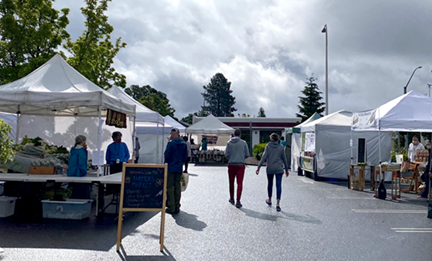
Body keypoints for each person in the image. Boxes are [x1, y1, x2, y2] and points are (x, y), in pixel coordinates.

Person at [256, 133, 289, 212]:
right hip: (279, 168)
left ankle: (270, 199)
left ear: (271, 139)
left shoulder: (268, 146)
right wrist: (286, 169)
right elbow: (284, 158)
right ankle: (278, 203)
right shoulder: (281, 147)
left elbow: (264, 157)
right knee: (278, 185)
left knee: (270, 184)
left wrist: (259, 167)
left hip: (270, 168)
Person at [164, 128, 188, 214]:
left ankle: (172, 206)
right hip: (179, 167)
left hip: (170, 167)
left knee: (170, 186)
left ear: (174, 134)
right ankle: (177, 205)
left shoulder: (171, 143)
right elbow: (185, 156)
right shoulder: (183, 144)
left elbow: (167, 155)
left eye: (171, 134)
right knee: (177, 186)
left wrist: (166, 164)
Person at [224, 129, 249, 208]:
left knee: (231, 182)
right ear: (240, 134)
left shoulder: (229, 143)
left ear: (234, 134)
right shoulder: (244, 143)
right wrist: (241, 157)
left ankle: (232, 198)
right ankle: (238, 200)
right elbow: (247, 154)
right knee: (239, 183)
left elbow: (226, 154)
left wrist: (231, 158)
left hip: (231, 164)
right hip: (240, 165)